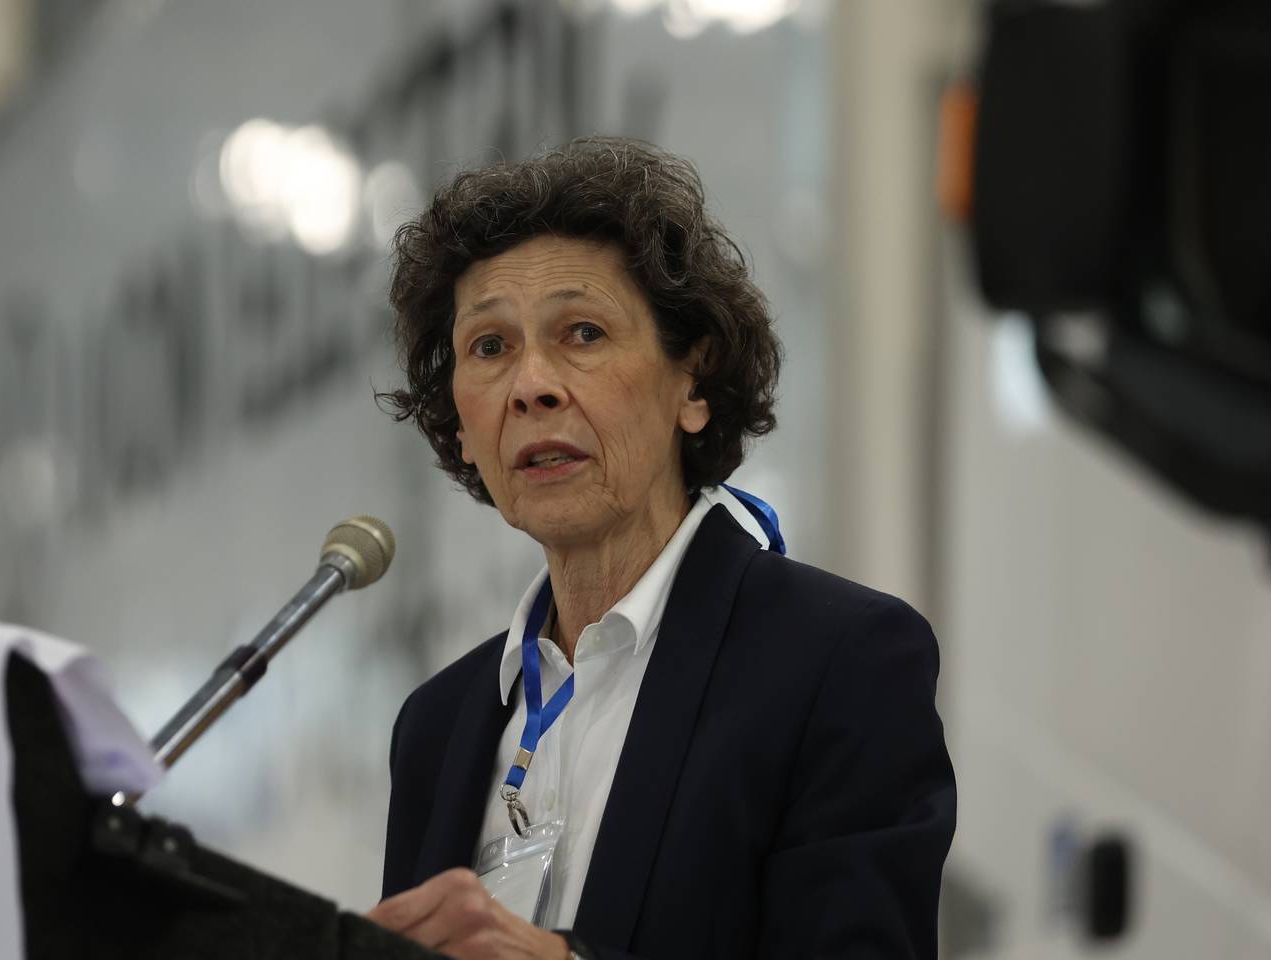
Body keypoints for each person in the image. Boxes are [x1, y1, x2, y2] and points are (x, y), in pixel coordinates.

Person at [368, 138, 955, 960]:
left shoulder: (838, 661)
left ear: (694, 385)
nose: (531, 384)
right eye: (489, 347)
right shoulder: (434, 728)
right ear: (461, 428)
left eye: (582, 332)